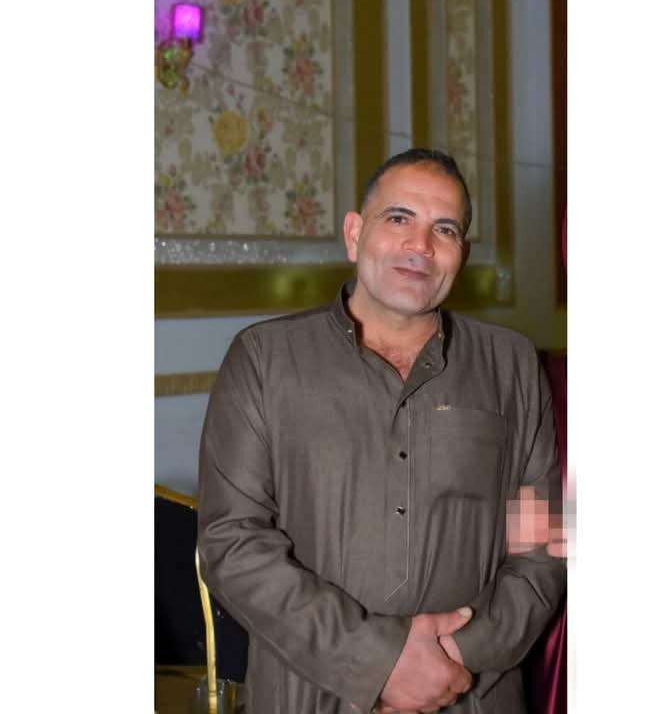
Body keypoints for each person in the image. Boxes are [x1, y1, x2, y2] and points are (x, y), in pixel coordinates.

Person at [198, 148, 566, 713]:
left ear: (462, 255)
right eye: (399, 218)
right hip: (309, 698)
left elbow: (542, 546)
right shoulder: (264, 359)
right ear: (354, 234)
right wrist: (377, 664)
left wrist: (452, 662)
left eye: (444, 229)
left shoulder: (512, 365)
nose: (421, 246)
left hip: (473, 695)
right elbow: (233, 542)